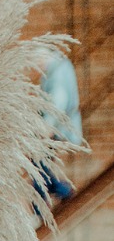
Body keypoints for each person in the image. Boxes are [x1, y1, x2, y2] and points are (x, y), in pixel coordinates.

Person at [36, 49, 83, 203]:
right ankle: (57, 192)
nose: (38, 66)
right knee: (41, 167)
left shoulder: (55, 72)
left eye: (38, 62)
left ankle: (43, 205)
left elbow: (58, 100)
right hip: (59, 126)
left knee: (39, 166)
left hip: (56, 127)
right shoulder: (61, 67)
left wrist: (48, 126)